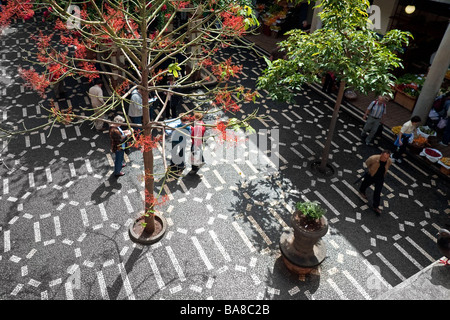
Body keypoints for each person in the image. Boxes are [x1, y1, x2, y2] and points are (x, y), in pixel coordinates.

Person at [359, 150, 393, 216]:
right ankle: (362, 191)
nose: (385, 159)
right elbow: (367, 163)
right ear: (381, 154)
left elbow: (388, 165)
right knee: (366, 183)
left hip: (380, 178)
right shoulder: (373, 158)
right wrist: (371, 170)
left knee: (378, 191)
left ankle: (375, 206)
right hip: (372, 175)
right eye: (384, 157)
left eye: (387, 158)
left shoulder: (389, 161)